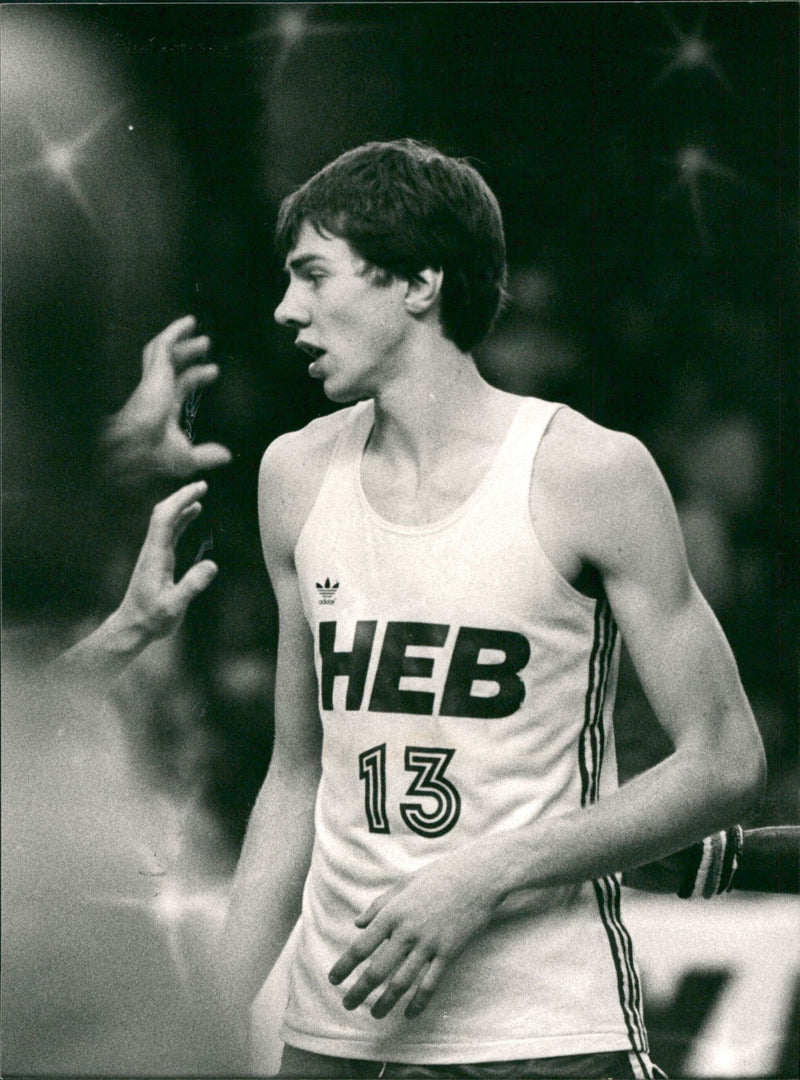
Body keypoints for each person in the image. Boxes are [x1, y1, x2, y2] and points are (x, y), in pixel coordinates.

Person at [218, 139, 766, 1079]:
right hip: (337, 1027)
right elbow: (294, 774)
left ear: (421, 280)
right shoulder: (292, 473)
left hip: (542, 1027)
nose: (286, 309)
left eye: (313, 274)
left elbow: (724, 757)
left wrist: (487, 872)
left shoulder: (587, 470)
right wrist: (211, 1016)